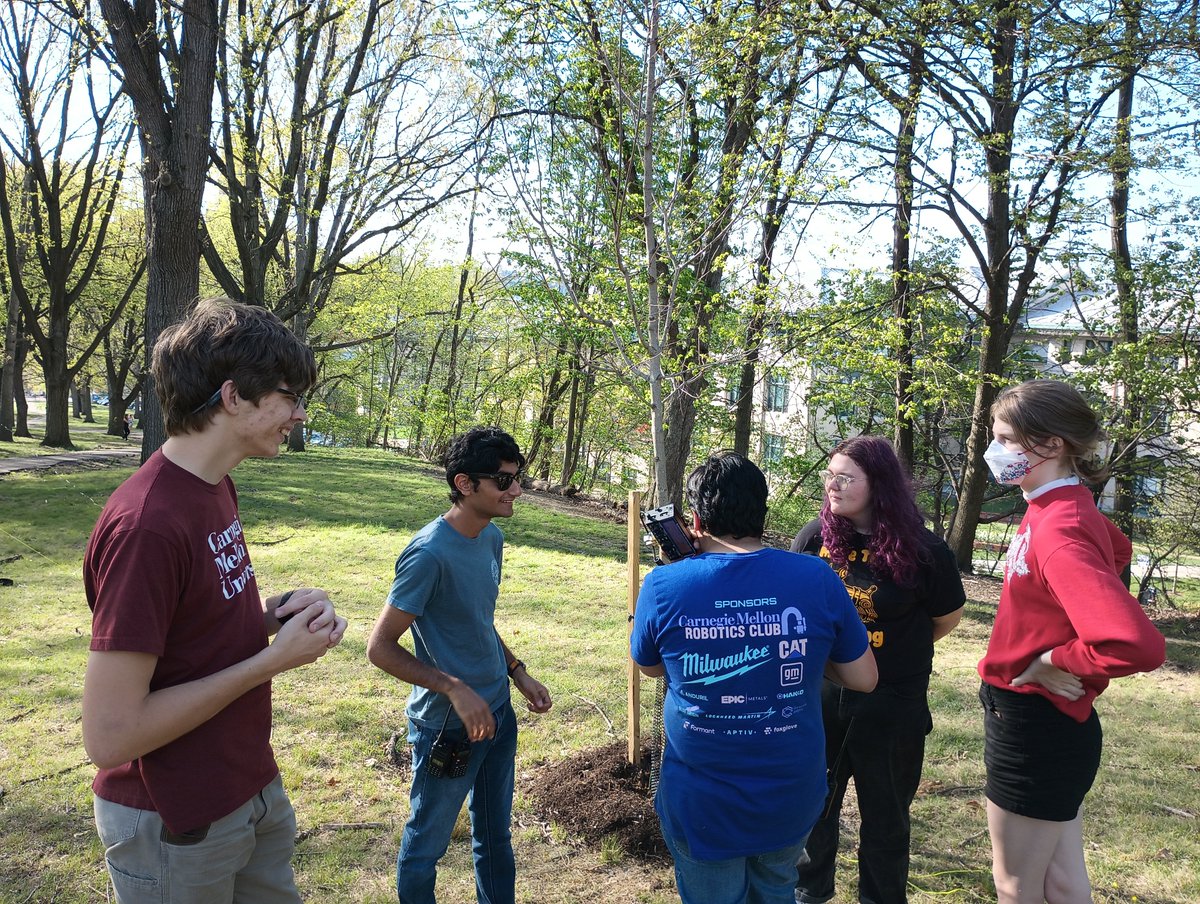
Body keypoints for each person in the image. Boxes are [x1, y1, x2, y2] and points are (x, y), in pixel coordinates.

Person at [82, 297, 348, 903]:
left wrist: (265, 619)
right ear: (234, 397)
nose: (299, 415)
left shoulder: (212, 487)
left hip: (246, 789)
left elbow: (185, 640)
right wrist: (274, 660)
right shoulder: (147, 526)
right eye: (289, 396)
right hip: (176, 819)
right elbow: (111, 735)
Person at [630, 451, 878, 904]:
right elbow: (863, 678)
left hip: (703, 801)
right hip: (791, 794)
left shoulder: (665, 584)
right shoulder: (817, 576)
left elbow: (650, 668)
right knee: (777, 888)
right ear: (763, 513)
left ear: (696, 519)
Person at [978, 379, 1166, 903]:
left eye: (1007, 439)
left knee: (1016, 888)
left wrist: (1051, 656)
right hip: (1053, 725)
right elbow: (1117, 550)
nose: (996, 451)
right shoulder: (1059, 506)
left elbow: (1138, 645)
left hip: (1035, 724)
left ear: (1052, 444)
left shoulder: (1059, 526)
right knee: (1060, 883)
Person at [366, 426, 553, 904]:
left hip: (498, 713)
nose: (517, 490)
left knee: (494, 839)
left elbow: (476, 620)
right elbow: (380, 647)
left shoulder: (492, 537)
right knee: (425, 847)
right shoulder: (428, 553)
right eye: (504, 481)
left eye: (518, 478)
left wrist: (516, 671)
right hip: (448, 728)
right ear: (466, 484)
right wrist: (452, 687)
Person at [792, 436, 965, 904]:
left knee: (886, 820)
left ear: (880, 484)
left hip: (892, 706)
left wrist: (891, 653)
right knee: (814, 810)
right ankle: (809, 894)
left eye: (846, 477)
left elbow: (945, 617)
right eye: (830, 475)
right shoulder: (815, 540)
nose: (833, 484)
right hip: (823, 699)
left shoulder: (924, 551)